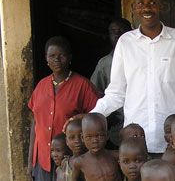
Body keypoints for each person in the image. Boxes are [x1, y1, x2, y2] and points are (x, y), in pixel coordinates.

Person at [90, 0, 175, 158]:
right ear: (133, 9)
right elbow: (116, 93)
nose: (146, 8)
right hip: (136, 144)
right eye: (141, 4)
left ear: (162, 6)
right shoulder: (125, 43)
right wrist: (91, 116)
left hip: (172, 143)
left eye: (152, 3)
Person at [27, 36, 99, 181]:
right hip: (42, 160)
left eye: (61, 56)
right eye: (52, 56)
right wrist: (30, 161)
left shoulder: (82, 85)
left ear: (70, 57)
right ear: (46, 59)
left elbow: (97, 118)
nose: (57, 60)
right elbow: (36, 123)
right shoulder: (41, 85)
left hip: (71, 159)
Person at [90, 18, 132, 149]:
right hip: (116, 127)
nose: (117, 34)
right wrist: (106, 114)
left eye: (121, 30)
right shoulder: (105, 63)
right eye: (113, 32)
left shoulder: (140, 58)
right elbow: (96, 92)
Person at [72, 113, 122, 181]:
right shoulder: (79, 162)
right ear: (82, 138)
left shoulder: (115, 156)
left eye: (99, 136)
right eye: (89, 137)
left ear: (107, 135)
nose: (95, 141)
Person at [59, 115, 87, 181]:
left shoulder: (91, 162)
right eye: (72, 137)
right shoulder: (65, 163)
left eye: (81, 136)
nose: (77, 141)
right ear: (67, 141)